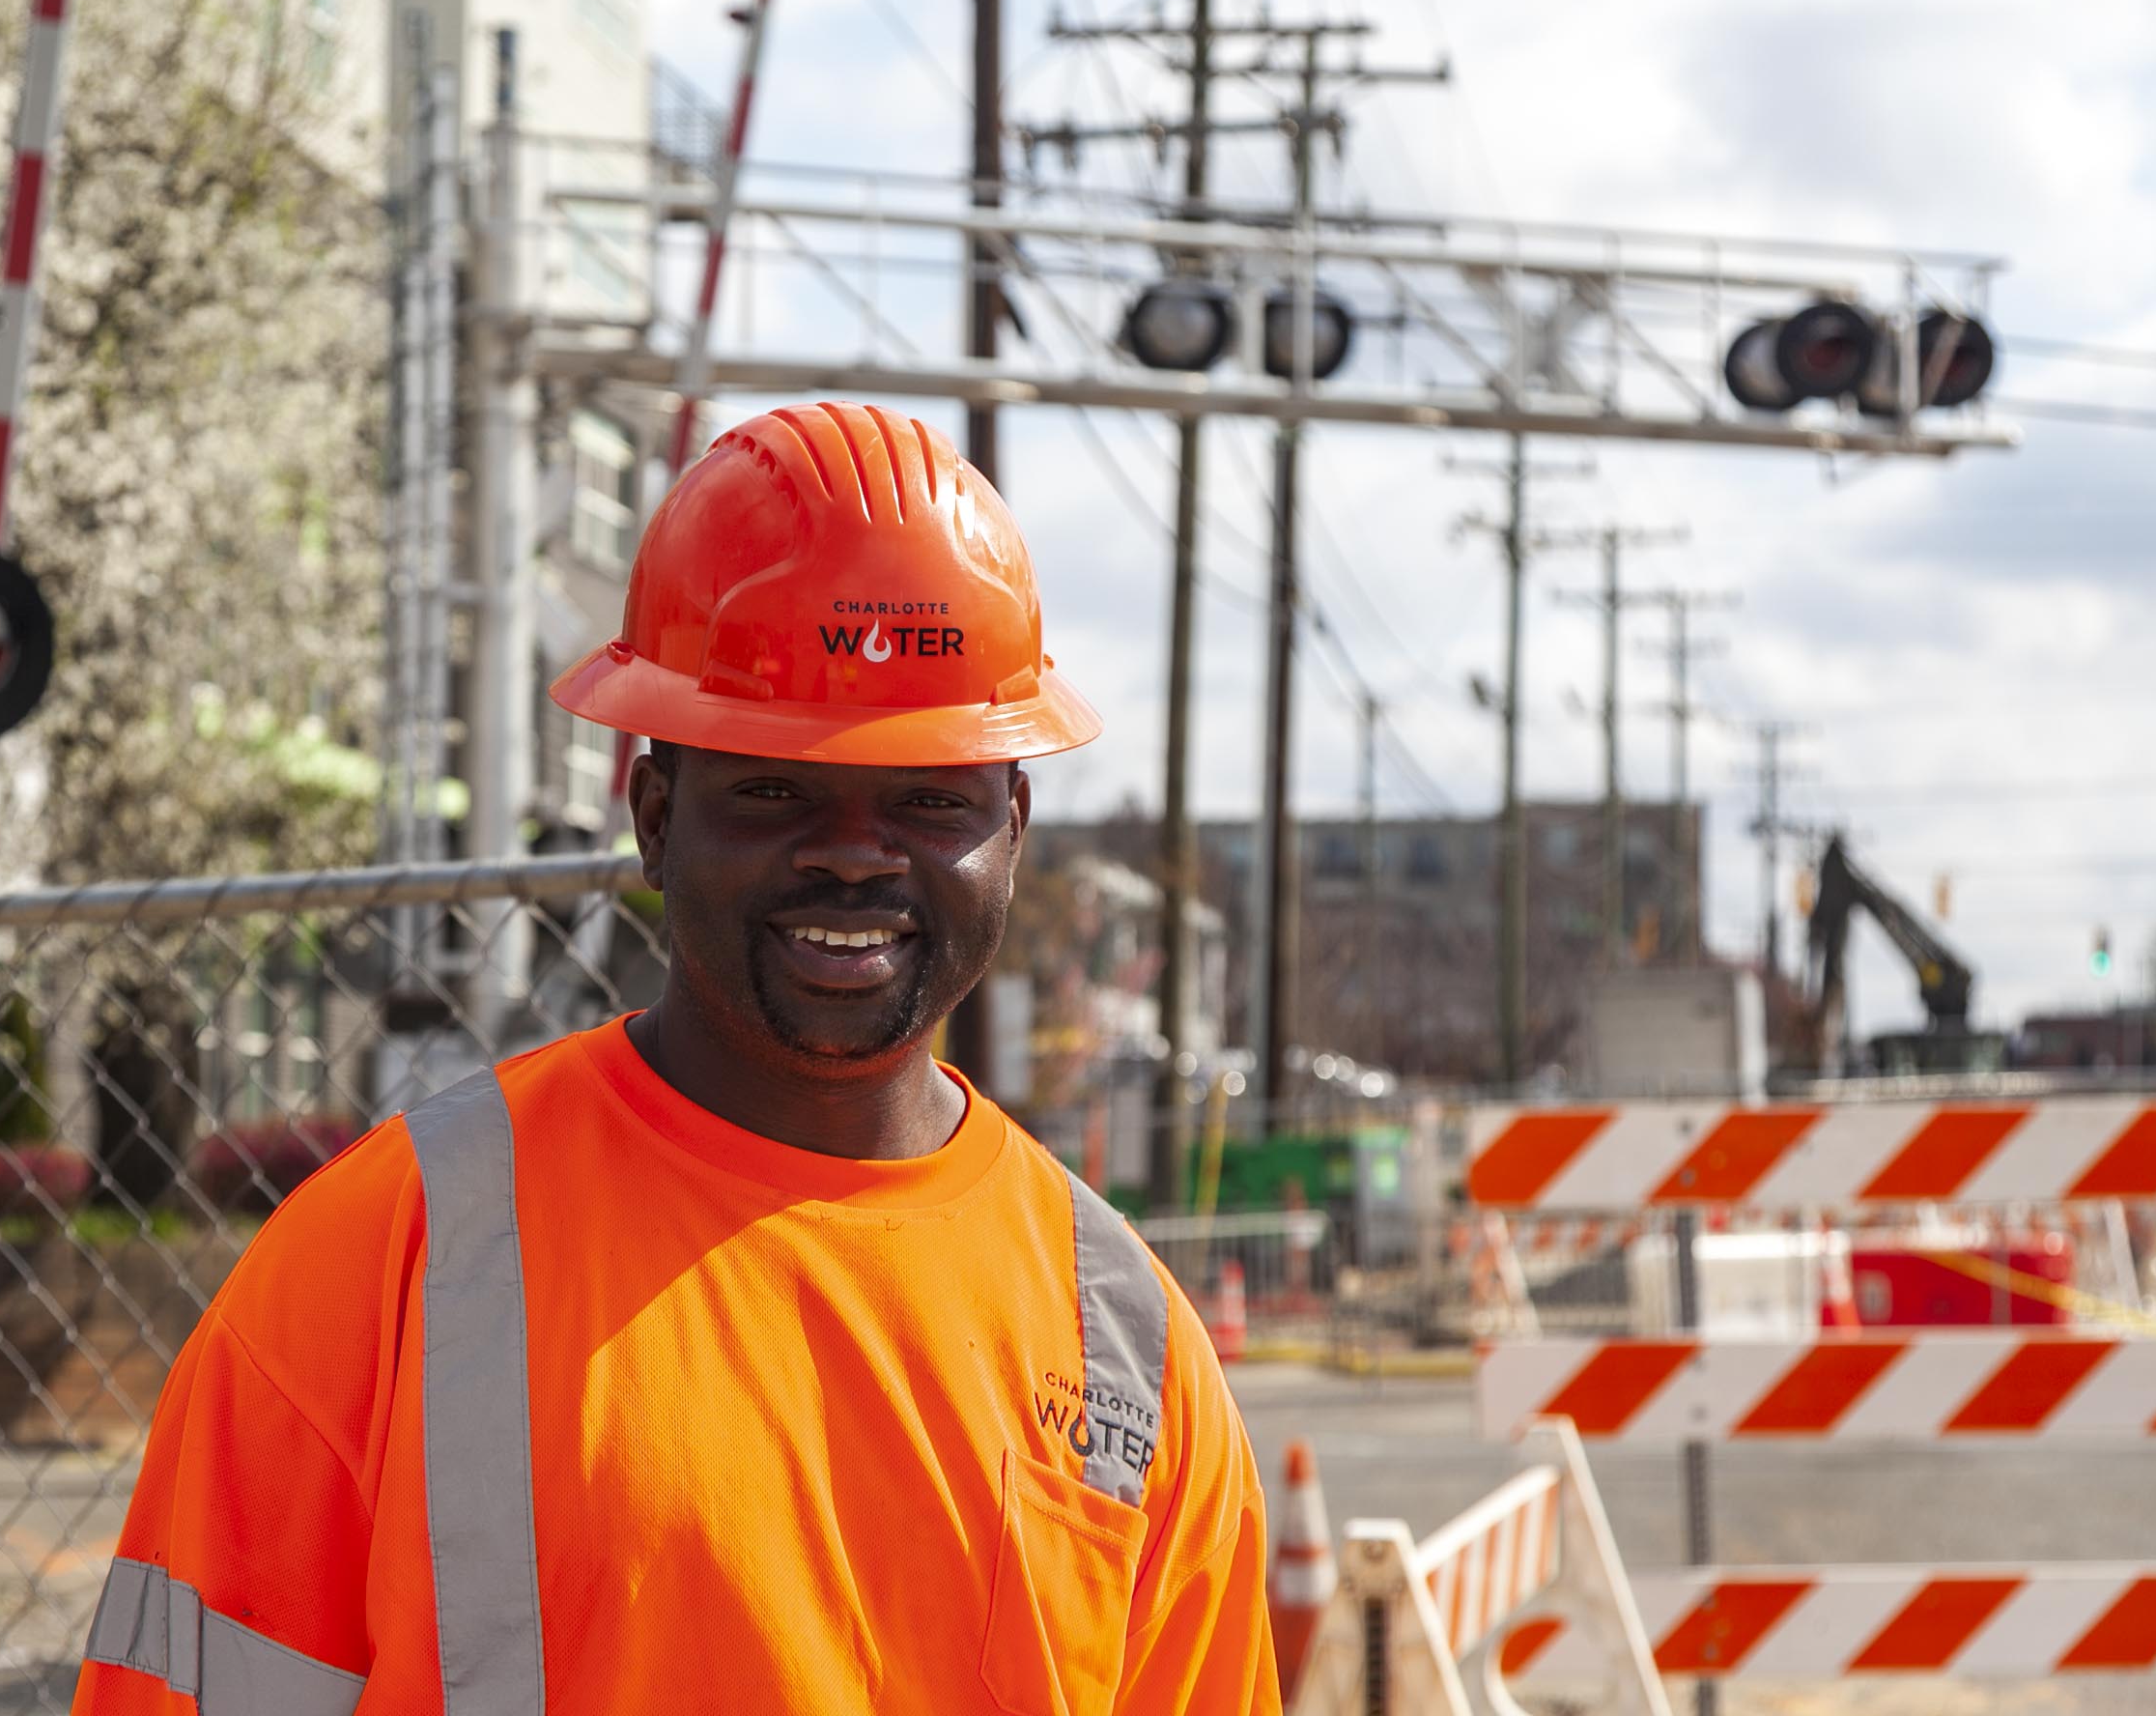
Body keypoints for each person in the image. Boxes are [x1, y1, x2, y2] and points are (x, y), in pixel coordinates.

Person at [72, 401, 1278, 1714]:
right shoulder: (386, 1258)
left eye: (932, 798)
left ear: (1014, 829)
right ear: (656, 816)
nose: (857, 853)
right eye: (776, 787)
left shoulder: (1127, 1349)